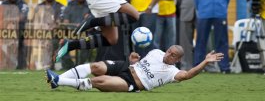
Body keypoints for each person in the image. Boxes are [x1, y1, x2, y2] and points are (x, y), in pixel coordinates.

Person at [46, 45, 224, 92]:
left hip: (131, 83)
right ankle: (58, 79)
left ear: (177, 59)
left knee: (98, 81)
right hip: (126, 67)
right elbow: (138, 62)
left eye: (172, 54)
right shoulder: (155, 51)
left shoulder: (172, 73)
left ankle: (58, 80)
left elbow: (188, 74)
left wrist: (205, 62)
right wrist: (132, 59)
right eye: (169, 50)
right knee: (96, 66)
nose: (167, 54)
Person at [194, 0, 231, 73]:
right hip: (204, 14)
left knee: (222, 41)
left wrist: (222, 8)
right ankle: (198, 67)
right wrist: (201, 9)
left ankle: (224, 67)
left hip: (220, 14)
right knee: (201, 41)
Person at [32, 0, 65, 69]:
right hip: (40, 33)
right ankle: (39, 63)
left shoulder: (60, 6)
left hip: (56, 34)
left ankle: (56, 64)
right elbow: (34, 20)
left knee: (54, 42)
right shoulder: (38, 7)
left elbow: (60, 20)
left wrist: (54, 26)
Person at [62, 0, 91, 67]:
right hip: (71, 33)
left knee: (87, 43)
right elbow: (66, 20)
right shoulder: (70, 5)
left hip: (85, 33)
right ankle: (69, 66)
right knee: (63, 43)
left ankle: (80, 65)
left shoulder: (90, 5)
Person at [1, 0, 29, 69]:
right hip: (5, 30)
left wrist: (8, 20)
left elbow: (22, 17)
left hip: (20, 30)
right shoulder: (3, 4)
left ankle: (22, 66)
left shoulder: (23, 4)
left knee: (21, 48)